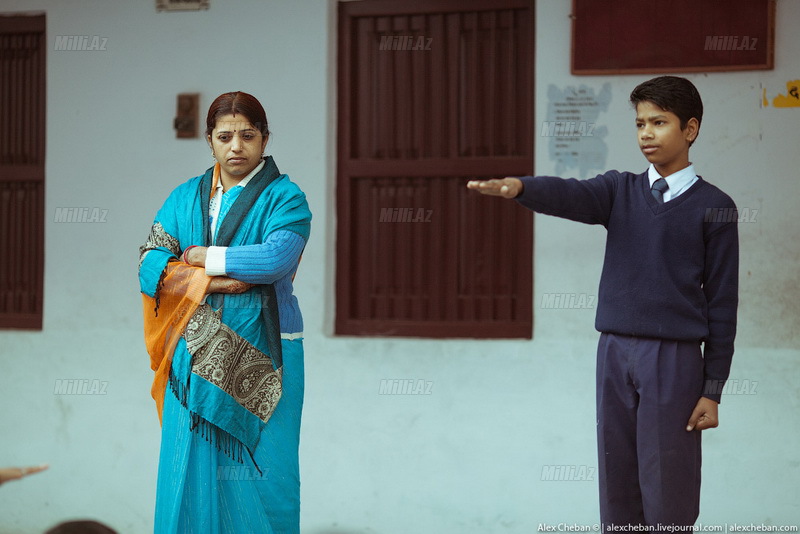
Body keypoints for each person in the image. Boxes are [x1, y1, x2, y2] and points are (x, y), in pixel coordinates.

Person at [467, 76, 738, 528]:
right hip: (613, 353)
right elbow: (572, 194)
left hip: (673, 360)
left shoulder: (716, 207)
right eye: (639, 124)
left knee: (667, 478)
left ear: (690, 130)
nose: (646, 133)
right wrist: (521, 188)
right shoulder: (619, 190)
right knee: (617, 478)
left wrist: (713, 389)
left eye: (659, 122)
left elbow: (724, 303)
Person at [138, 91, 312, 533]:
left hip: (266, 352)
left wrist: (200, 258)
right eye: (225, 136)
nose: (237, 146)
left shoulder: (286, 198)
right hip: (193, 351)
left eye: (247, 135)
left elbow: (274, 260)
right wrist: (217, 281)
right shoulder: (183, 199)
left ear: (265, 139)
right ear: (210, 141)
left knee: (266, 469)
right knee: (187, 465)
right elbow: (149, 263)